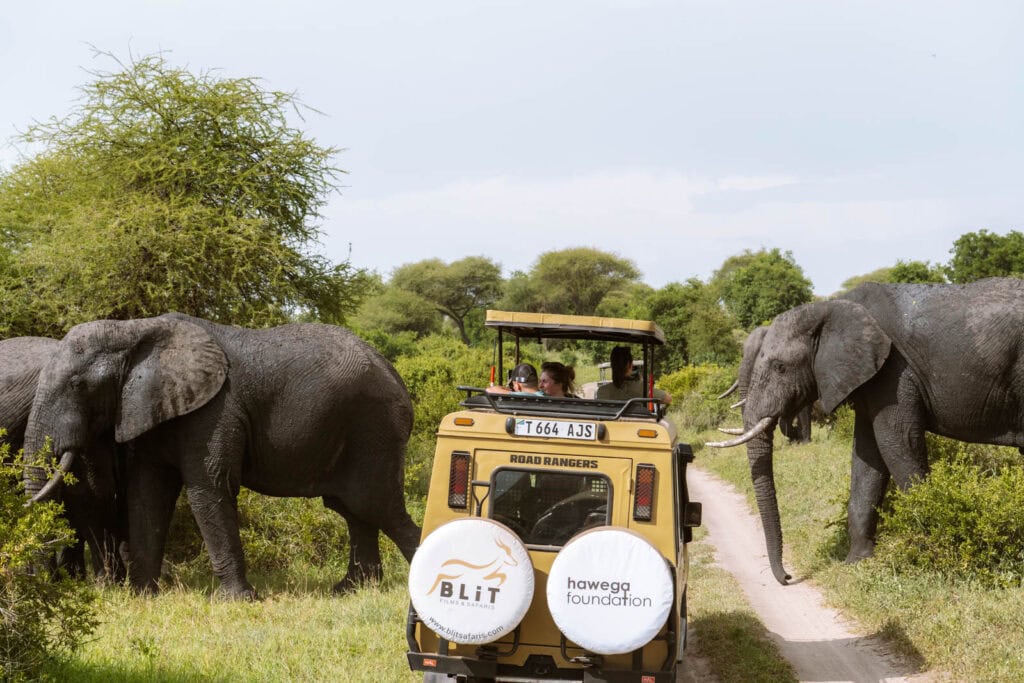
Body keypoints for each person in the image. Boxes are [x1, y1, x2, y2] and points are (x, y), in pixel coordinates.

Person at [595, 346, 671, 405]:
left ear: (612, 366)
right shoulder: (642, 389)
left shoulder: (602, 391)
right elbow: (668, 398)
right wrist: (642, 383)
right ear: (629, 365)